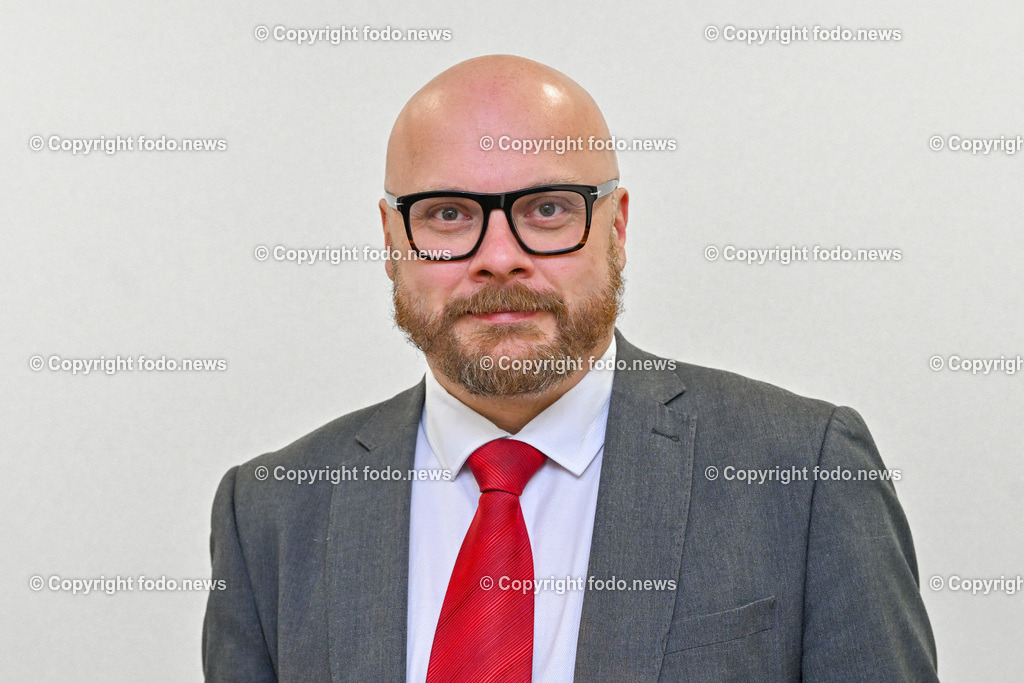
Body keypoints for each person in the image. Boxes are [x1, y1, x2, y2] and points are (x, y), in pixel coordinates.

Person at [203, 54, 938, 681]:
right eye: (449, 214)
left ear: (616, 227)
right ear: (393, 239)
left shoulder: (802, 474)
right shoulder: (271, 513)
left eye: (548, 208)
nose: (498, 255)